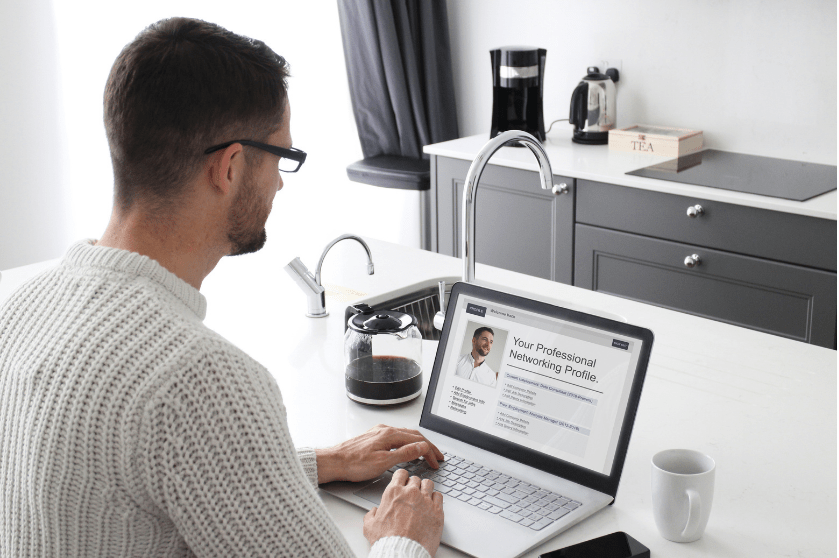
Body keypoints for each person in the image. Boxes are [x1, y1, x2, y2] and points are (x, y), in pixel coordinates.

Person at [0, 18, 444, 558]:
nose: (281, 181)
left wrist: (316, 463)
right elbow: (179, 425)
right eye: (282, 157)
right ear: (229, 166)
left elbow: (114, 480)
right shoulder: (200, 379)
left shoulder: (24, 307)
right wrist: (405, 537)